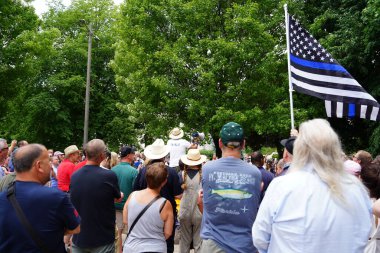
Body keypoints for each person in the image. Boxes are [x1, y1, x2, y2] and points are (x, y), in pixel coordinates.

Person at [252, 119, 372, 253]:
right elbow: (364, 232)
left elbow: (260, 238)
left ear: (300, 150)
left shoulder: (282, 186)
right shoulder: (356, 188)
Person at [0, 144, 80, 252]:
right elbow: (76, 228)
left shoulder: (3, 196)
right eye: (48, 161)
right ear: (38, 166)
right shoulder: (56, 197)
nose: (51, 165)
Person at [199, 122, 262, 253]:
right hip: (244, 244)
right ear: (243, 144)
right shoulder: (255, 173)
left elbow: (201, 202)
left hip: (212, 243)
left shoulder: (207, 169)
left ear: (220, 143)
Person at [70, 139, 122, 253]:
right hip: (102, 238)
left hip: (79, 238)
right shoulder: (109, 175)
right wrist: (120, 195)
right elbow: (118, 198)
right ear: (102, 155)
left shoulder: (75, 176)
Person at [133, 139, 183, 253]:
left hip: (145, 212)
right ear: (164, 155)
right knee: (167, 243)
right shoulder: (171, 172)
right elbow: (179, 195)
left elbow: (135, 191)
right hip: (167, 213)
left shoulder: (143, 171)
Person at [123, 162, 174, 253]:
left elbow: (125, 221)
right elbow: (168, 232)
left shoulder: (132, 196)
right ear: (164, 182)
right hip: (156, 248)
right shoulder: (165, 204)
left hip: (132, 248)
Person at [178, 149, 206, 253]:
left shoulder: (181, 174)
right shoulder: (204, 175)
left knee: (184, 242)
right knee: (198, 242)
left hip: (184, 211)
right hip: (199, 211)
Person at [111, 146, 138, 253]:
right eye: (133, 153)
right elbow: (135, 191)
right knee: (130, 233)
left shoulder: (113, 170)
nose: (135, 155)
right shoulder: (134, 171)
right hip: (129, 207)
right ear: (128, 155)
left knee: (117, 234)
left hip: (115, 206)